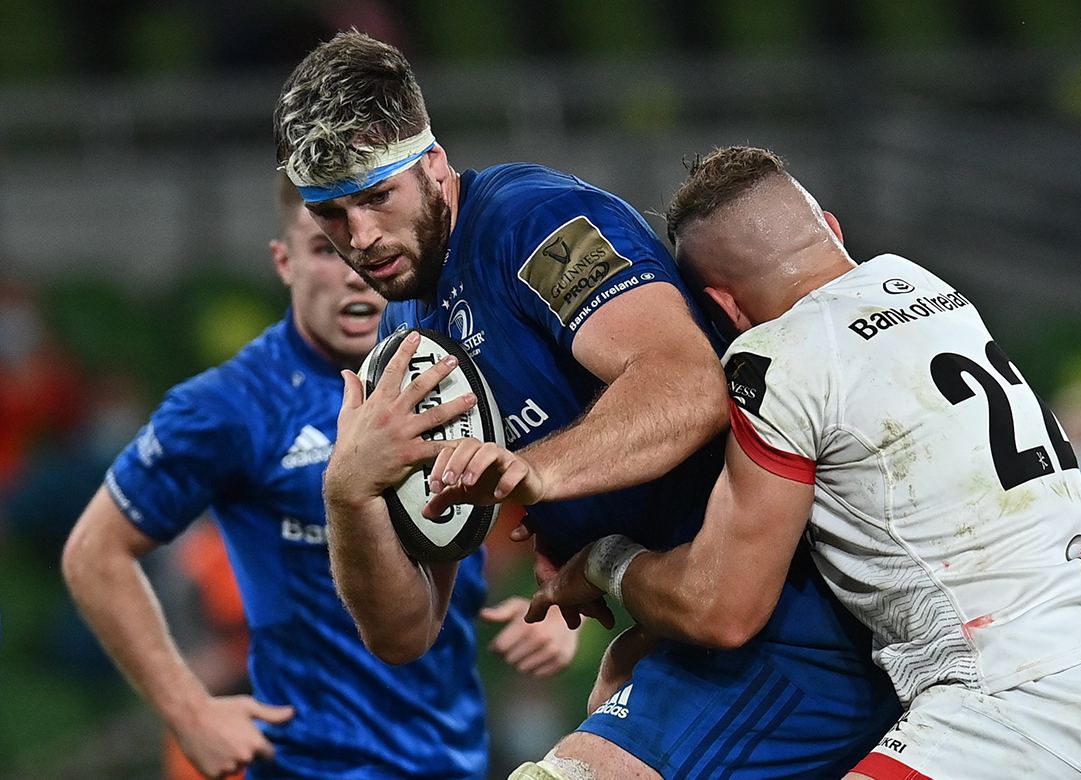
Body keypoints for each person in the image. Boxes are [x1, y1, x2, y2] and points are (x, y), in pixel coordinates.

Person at [275, 31, 907, 780]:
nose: (362, 237)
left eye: (377, 198)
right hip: (696, 633)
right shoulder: (406, 336)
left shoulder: (535, 226)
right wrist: (348, 493)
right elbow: (406, 630)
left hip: (803, 617)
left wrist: (531, 471)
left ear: (433, 166)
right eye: (332, 215)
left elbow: (688, 384)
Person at [527, 146, 1081, 780]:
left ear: (722, 306)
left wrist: (604, 560)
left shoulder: (775, 358)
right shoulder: (926, 288)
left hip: (1013, 710)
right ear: (831, 228)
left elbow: (721, 609)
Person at [60, 175, 580, 780]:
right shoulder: (231, 405)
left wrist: (554, 589)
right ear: (284, 263)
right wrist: (189, 711)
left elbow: (523, 495)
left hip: (454, 759)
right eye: (324, 250)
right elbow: (93, 553)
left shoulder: (460, 367)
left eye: (365, 250)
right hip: (308, 765)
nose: (353, 271)